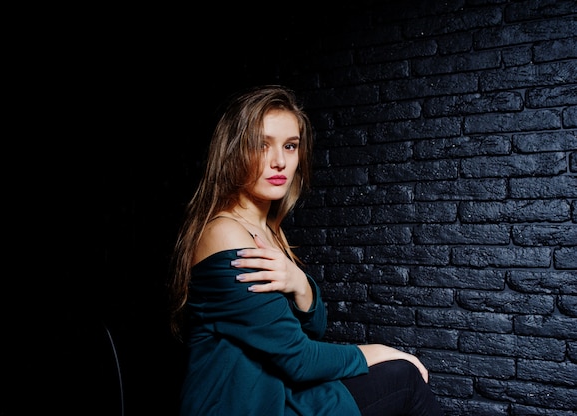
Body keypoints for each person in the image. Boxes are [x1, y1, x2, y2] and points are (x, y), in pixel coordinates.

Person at [167, 85, 444, 416]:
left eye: (290, 146)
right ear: (234, 151)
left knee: (402, 379)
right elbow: (300, 359)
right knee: (403, 376)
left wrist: (299, 283)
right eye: (261, 144)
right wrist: (383, 351)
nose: (280, 161)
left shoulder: (269, 231)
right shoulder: (225, 234)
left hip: (281, 397)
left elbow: (313, 328)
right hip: (241, 407)